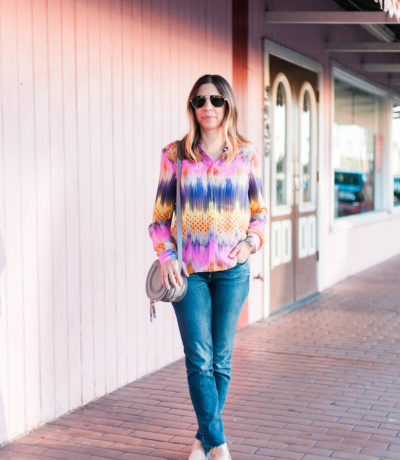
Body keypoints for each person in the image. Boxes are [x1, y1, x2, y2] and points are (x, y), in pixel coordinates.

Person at [149, 74, 267, 460]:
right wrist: (166, 256)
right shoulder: (175, 154)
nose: (208, 108)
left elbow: (260, 214)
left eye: (216, 100)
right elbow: (159, 218)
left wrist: (250, 245)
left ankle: (202, 439)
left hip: (233, 273)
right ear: (192, 107)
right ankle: (219, 446)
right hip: (190, 274)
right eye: (200, 101)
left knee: (221, 359)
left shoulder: (245, 155)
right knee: (199, 358)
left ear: (227, 105)